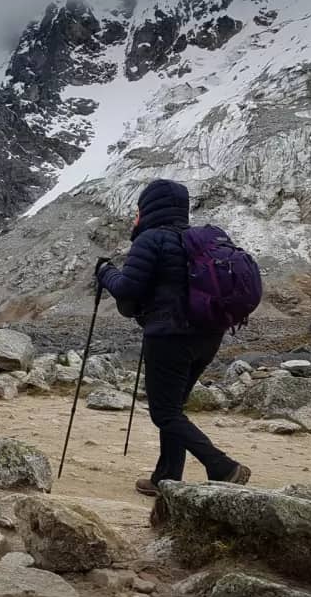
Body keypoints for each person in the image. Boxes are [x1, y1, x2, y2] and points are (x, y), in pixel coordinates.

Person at [97, 179, 250, 496]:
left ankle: (222, 466)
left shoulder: (151, 240)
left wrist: (105, 273)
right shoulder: (195, 241)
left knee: (164, 412)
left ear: (148, 208)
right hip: (208, 336)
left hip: (169, 337)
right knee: (174, 408)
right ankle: (166, 476)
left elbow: (127, 289)